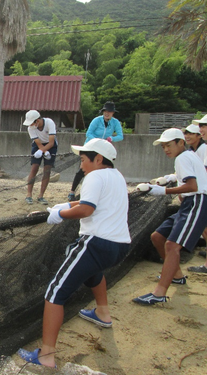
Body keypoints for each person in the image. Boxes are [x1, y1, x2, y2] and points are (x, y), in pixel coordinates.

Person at [17, 138, 130, 368]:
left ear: (98, 159)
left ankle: (46, 355)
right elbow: (85, 202)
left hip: (96, 244)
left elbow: (87, 209)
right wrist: (62, 206)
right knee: (92, 271)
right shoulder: (117, 176)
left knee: (54, 292)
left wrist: (59, 216)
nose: (80, 165)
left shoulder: (94, 176)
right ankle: (103, 313)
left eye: (83, 160)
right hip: (120, 246)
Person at [133, 128, 207, 304]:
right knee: (157, 237)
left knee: (172, 245)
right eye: (163, 146)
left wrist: (163, 190)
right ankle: (177, 275)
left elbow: (192, 186)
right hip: (190, 203)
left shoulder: (183, 157)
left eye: (169, 145)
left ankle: (159, 294)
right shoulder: (188, 155)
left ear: (181, 143)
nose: (166, 149)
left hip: (197, 201)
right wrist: (169, 178)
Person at [68, 101, 123, 201]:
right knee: (83, 169)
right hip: (90, 147)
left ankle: (99, 191)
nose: (107, 113)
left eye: (109, 112)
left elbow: (120, 136)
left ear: (113, 113)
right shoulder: (97, 120)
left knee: (101, 170)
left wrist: (111, 138)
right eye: (105, 111)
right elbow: (89, 133)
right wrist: (96, 142)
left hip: (103, 150)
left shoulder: (115, 122)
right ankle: (72, 192)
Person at [23, 110, 57, 205]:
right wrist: (43, 151)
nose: (31, 125)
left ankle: (41, 196)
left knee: (47, 170)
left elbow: (51, 143)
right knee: (34, 168)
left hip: (51, 146)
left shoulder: (49, 123)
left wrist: (45, 151)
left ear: (37, 121)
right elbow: (38, 142)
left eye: (32, 123)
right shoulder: (31, 129)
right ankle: (29, 195)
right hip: (38, 146)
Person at [188, 114, 207, 270]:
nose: (202, 129)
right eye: (200, 126)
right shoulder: (198, 150)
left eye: (204, 126)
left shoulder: (204, 149)